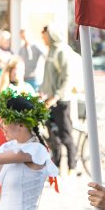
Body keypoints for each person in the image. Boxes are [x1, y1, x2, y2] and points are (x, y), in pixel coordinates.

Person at [38, 25, 74, 173]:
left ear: (51, 35)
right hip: (49, 100)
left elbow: (67, 78)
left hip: (60, 101)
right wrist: (42, 91)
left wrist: (57, 96)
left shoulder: (61, 52)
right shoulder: (50, 51)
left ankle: (72, 167)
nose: (43, 38)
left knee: (66, 135)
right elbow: (48, 78)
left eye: (44, 35)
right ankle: (57, 167)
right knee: (53, 137)